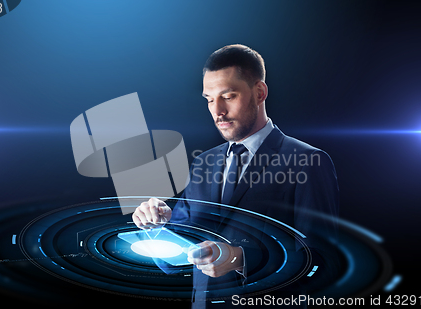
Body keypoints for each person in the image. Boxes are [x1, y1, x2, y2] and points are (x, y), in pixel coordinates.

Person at [132, 44, 339, 308]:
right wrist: (154, 224)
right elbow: (176, 252)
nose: (217, 111)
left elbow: (323, 262)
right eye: (209, 99)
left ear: (260, 92)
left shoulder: (308, 162)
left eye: (228, 96)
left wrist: (241, 259)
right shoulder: (204, 164)